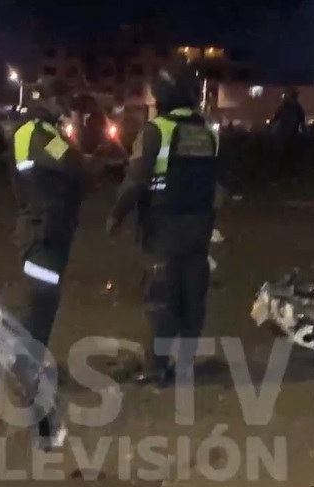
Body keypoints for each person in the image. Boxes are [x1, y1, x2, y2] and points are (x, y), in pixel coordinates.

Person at [105, 56, 221, 386]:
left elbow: (136, 179)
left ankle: (156, 367)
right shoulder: (207, 133)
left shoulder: (157, 131)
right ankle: (184, 364)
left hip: (163, 227)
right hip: (199, 227)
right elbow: (214, 185)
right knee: (192, 298)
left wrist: (116, 215)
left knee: (162, 297)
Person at [8, 77, 91, 352]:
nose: (63, 107)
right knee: (37, 303)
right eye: (60, 101)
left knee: (45, 303)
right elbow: (73, 164)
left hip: (51, 228)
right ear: (47, 99)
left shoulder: (47, 131)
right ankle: (23, 366)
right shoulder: (34, 132)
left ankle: (31, 361)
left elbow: (75, 169)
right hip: (40, 230)